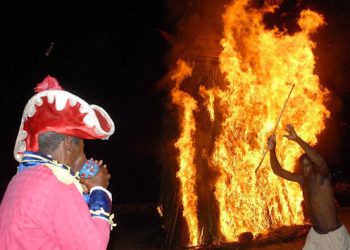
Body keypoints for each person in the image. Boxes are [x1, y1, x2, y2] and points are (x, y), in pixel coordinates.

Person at [0, 75, 116, 249]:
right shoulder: (56, 183)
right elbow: (94, 245)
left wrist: (83, 192)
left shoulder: (21, 178)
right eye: (82, 148)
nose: (85, 155)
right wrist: (99, 189)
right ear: (69, 143)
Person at [267, 124, 350, 249]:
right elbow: (278, 171)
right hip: (316, 235)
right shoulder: (302, 180)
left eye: (308, 165)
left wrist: (297, 139)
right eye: (302, 165)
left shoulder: (323, 177)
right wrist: (272, 150)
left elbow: (320, 161)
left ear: (313, 165)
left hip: (333, 236)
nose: (305, 168)